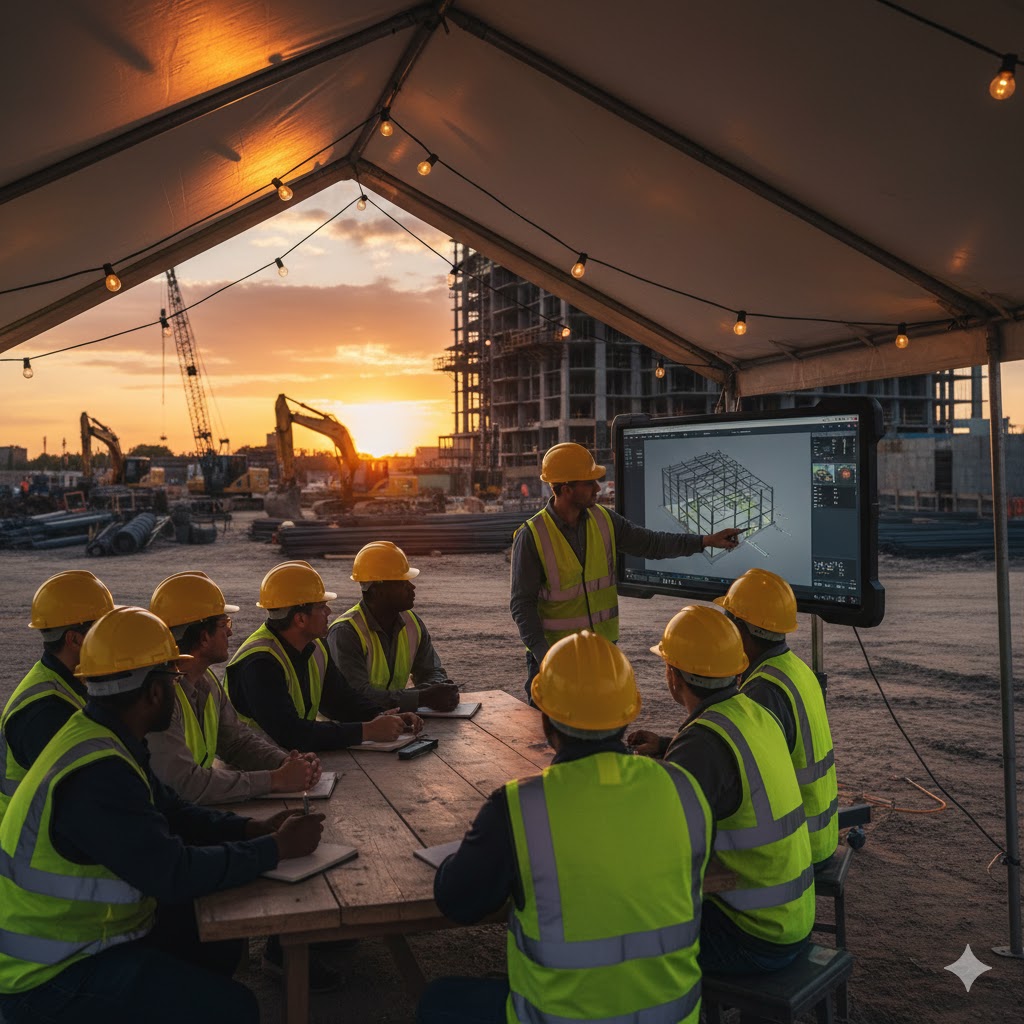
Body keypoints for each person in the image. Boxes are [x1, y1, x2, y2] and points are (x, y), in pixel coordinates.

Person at [0, 606, 325, 1024]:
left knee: (216, 943)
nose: (177, 690)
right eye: (171, 680)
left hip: (85, 938)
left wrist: (251, 828)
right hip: (49, 977)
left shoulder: (101, 735)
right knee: (236, 1009)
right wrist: (274, 848)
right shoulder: (98, 774)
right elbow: (173, 872)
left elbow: (174, 811)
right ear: (154, 692)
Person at [417, 631, 713, 1024]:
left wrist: (474, 851)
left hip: (560, 1018)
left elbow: (457, 903)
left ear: (546, 717)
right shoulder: (683, 788)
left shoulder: (521, 807)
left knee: (436, 1000)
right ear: (627, 714)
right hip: (675, 1016)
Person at [632, 605, 814, 975]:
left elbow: (660, 848)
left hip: (753, 938)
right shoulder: (753, 712)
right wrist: (671, 749)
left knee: (630, 932)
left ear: (673, 676)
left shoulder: (701, 744)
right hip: (792, 919)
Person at [510, 442, 743, 697]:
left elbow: (652, 543)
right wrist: (545, 658)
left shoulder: (604, 520)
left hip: (602, 654)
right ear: (566, 489)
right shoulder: (533, 536)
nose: (598, 488)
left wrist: (705, 541)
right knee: (550, 733)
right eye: (590, 483)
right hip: (556, 659)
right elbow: (522, 604)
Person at [147, 571, 321, 804]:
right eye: (223, 623)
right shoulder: (159, 698)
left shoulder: (206, 680)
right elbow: (186, 784)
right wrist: (273, 780)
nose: (229, 631)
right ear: (204, 637)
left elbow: (237, 742)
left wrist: (286, 763)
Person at [224, 560, 422, 751]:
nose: (329, 611)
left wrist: (382, 716)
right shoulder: (259, 663)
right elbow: (291, 733)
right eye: (321, 607)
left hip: (289, 763)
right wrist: (367, 730)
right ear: (300, 618)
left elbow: (341, 700)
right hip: (255, 770)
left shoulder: (315, 646)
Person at [715, 569, 839, 869]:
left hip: (795, 844)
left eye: (730, 621)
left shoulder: (763, 691)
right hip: (820, 833)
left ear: (742, 629)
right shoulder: (794, 669)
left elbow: (740, 773)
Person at [0, 570, 115, 821]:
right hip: (27, 848)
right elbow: (82, 800)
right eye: (102, 629)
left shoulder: (72, 680)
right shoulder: (45, 711)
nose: (110, 637)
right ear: (74, 639)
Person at [327, 541, 460, 714]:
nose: (412, 587)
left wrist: (440, 689)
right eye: (402, 583)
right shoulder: (346, 632)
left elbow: (431, 670)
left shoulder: (412, 623)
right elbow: (357, 697)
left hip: (391, 722)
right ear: (377, 590)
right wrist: (422, 697)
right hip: (347, 729)